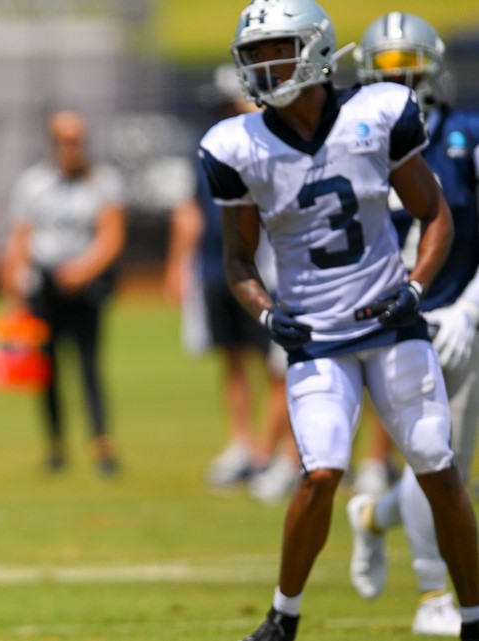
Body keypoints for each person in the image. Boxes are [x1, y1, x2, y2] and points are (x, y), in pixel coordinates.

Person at [198, 1, 479, 639]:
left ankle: (470, 614)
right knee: (321, 471)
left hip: (390, 323)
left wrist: (415, 289)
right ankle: (283, 615)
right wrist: (268, 315)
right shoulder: (236, 146)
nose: (267, 67)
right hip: (317, 338)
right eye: (257, 54)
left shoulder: (376, 114)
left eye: (280, 50)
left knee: (438, 462)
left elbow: (435, 214)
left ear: (318, 51)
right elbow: (238, 259)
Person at [344, 12, 479, 636]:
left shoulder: (467, 136)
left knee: (447, 468)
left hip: (461, 316)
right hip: (389, 323)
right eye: (387, 71)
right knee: (439, 462)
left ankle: (371, 517)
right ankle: (432, 594)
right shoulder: (347, 144)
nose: (400, 82)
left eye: (410, 68)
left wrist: (469, 310)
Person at [164, 65, 296, 499]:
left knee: (279, 366)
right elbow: (190, 210)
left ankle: (273, 454)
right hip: (219, 269)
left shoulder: (271, 145)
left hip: (270, 272)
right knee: (232, 358)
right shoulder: (207, 149)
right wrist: (179, 265)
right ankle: (244, 447)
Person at [2, 109, 126, 476]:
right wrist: (13, 291)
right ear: (52, 143)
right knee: (47, 369)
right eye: (65, 141)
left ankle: (102, 444)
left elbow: (112, 235)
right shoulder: (33, 184)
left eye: (78, 141)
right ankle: (56, 445)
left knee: (89, 366)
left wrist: (84, 270)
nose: (72, 148)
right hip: (45, 285)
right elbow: (21, 239)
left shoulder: (104, 182)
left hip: (87, 286)